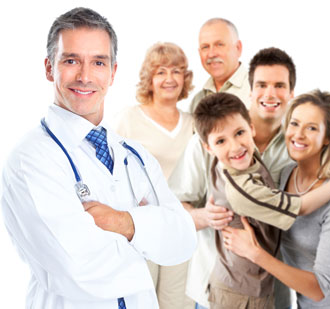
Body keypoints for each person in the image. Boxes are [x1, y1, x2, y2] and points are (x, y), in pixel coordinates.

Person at [1, 7, 196, 309]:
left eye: (98, 62)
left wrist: (122, 222)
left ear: (113, 72)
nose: (85, 76)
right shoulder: (30, 160)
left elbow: (183, 241)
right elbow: (78, 268)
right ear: (49, 68)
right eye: (71, 60)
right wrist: (151, 236)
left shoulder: (135, 155)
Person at [192, 92, 330, 309]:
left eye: (312, 127)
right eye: (294, 123)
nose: (235, 146)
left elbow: (320, 287)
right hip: (243, 293)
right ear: (208, 148)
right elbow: (300, 207)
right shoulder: (282, 176)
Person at [169, 47, 297, 308]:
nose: (270, 94)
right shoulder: (204, 143)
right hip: (216, 291)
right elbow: (172, 210)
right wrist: (204, 216)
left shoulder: (298, 147)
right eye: (262, 85)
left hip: (275, 291)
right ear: (250, 91)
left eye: (279, 85)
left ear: (291, 93)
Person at [114, 42, 194, 309]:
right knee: (141, 300)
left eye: (176, 71)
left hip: (180, 224)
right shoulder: (129, 118)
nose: (169, 78)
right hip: (142, 226)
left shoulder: (194, 123)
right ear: (149, 79)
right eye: (160, 72)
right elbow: (111, 170)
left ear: (185, 78)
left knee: (176, 302)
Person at [191, 18, 250, 114]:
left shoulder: (259, 90)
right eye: (205, 47)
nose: (211, 54)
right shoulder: (197, 101)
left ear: (238, 48)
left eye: (219, 45)